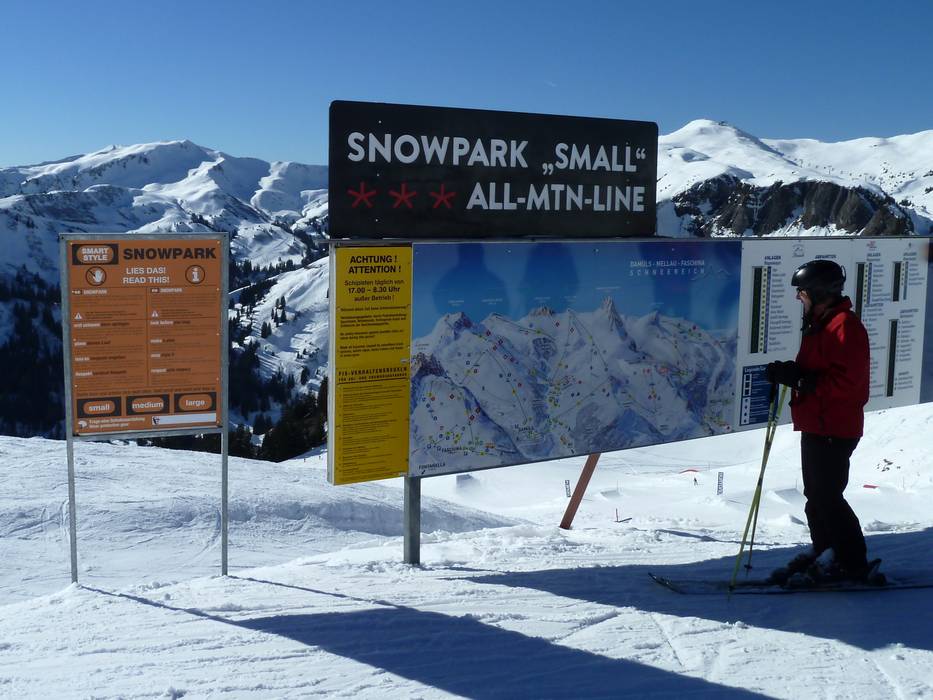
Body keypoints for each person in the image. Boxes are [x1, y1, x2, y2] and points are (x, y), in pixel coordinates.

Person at [765, 259, 872, 585]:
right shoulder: (820, 324)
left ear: (819, 292)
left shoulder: (844, 327)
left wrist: (802, 380)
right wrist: (792, 373)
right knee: (817, 496)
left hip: (834, 426)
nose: (798, 297)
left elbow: (848, 383)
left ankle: (851, 562)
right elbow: (818, 370)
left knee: (828, 497)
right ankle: (826, 551)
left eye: (802, 292)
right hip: (818, 423)